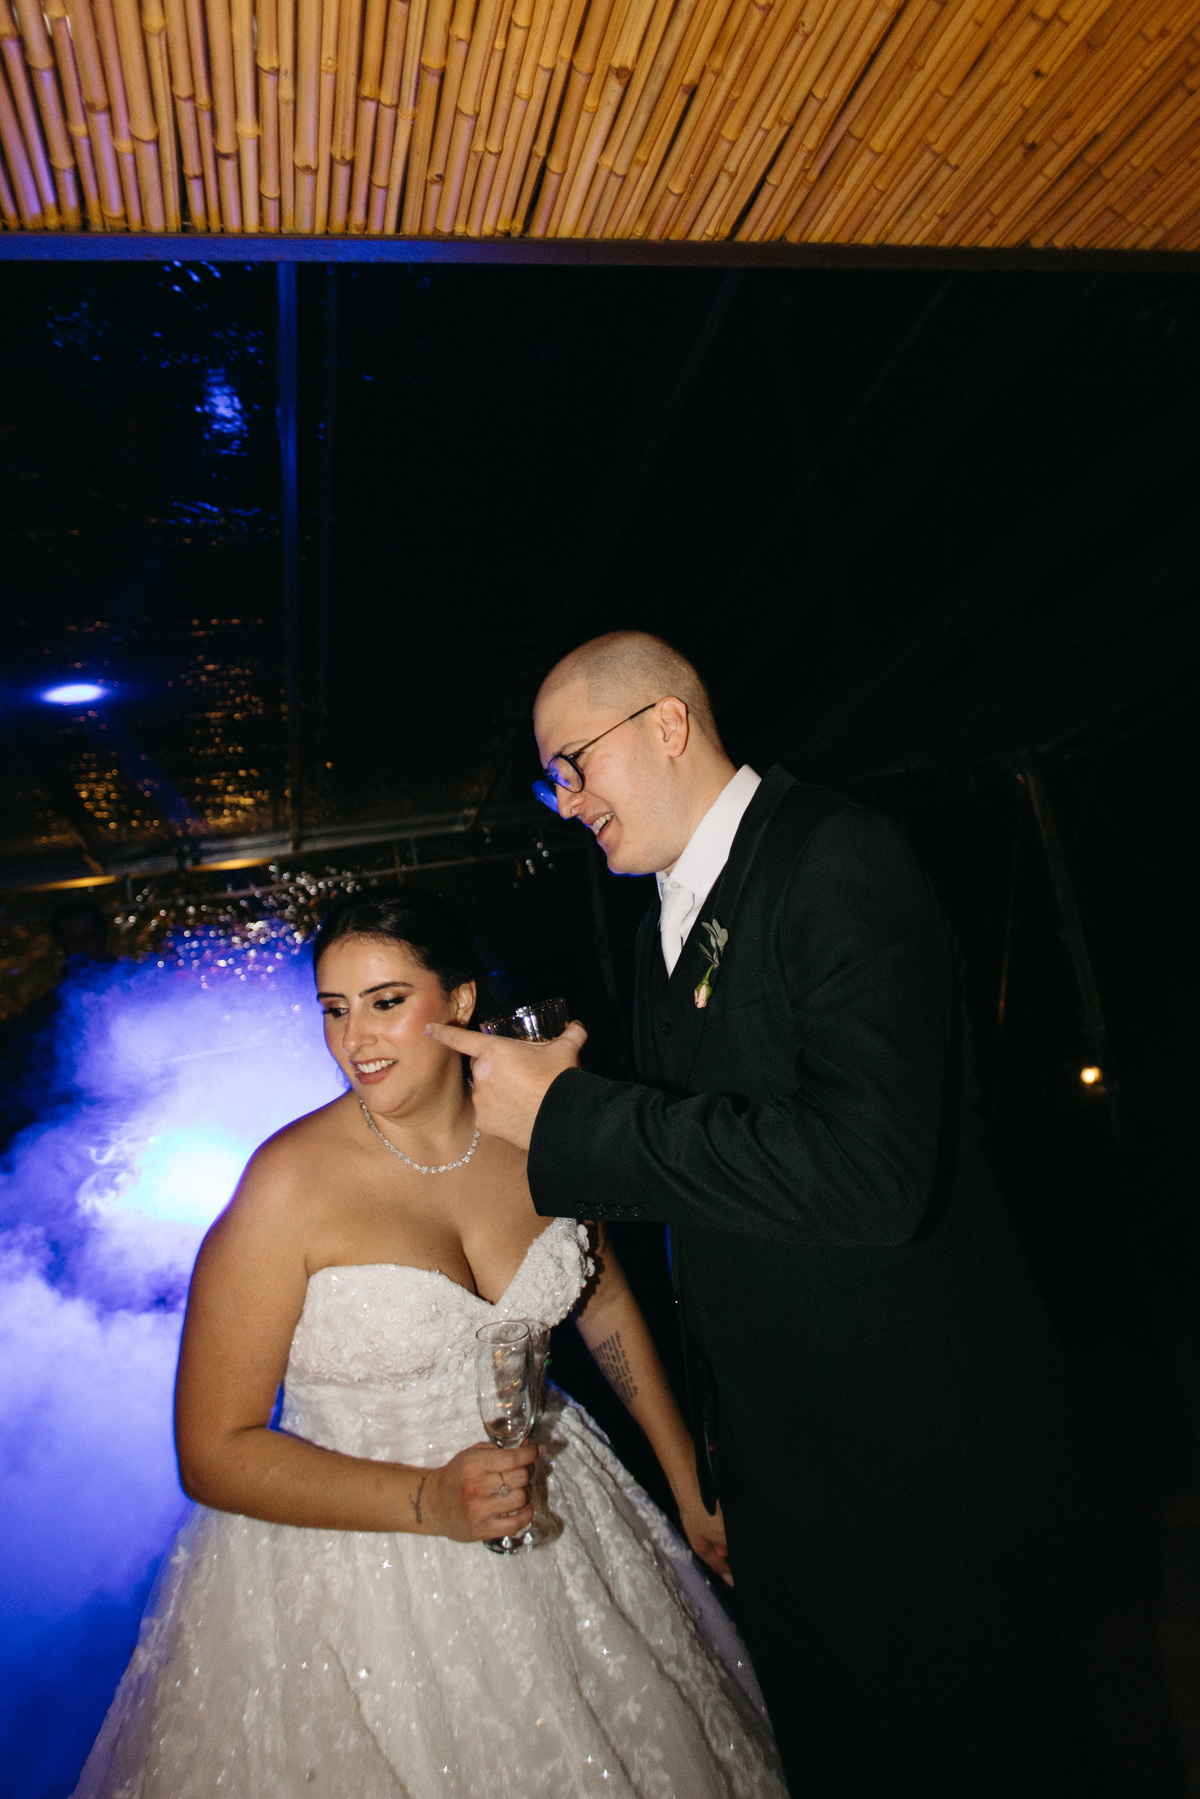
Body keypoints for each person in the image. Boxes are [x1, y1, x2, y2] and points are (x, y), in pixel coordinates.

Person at [427, 632, 1102, 1799]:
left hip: (923, 1481)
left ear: (668, 724)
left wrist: (577, 1117)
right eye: (553, 780)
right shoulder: (661, 915)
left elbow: (870, 1172)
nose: (566, 800)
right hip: (795, 1489)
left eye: (574, 763)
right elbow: (725, 1177)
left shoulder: (834, 855)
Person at [74, 887, 786, 1799]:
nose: (355, 1039)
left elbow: (601, 1294)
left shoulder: (537, 1135)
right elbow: (212, 1452)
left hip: (559, 1511)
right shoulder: (287, 1186)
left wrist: (687, 1477)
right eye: (334, 1009)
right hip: (354, 1569)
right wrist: (428, 1500)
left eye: (384, 1002)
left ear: (459, 999)